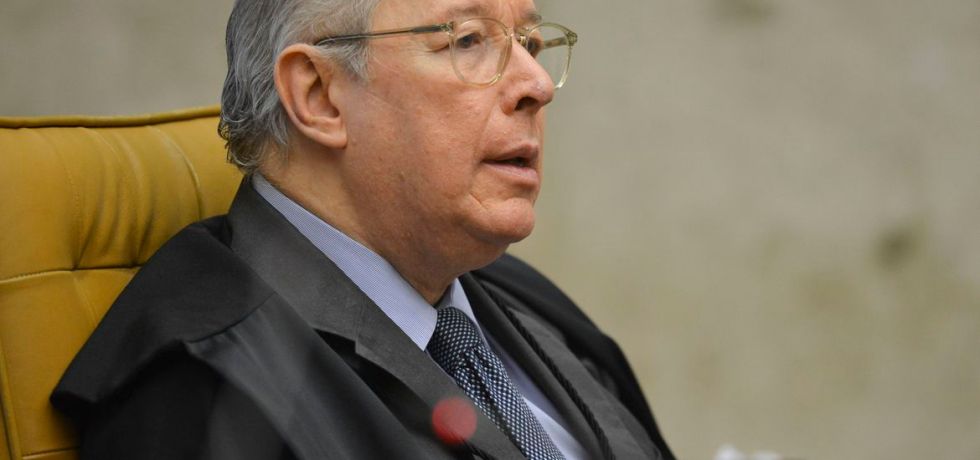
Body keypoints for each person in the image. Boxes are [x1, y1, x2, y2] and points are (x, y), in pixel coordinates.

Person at [51, 0, 674, 458]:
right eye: (467, 40)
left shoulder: (517, 294)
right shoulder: (204, 386)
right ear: (319, 96)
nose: (536, 85)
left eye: (530, 44)